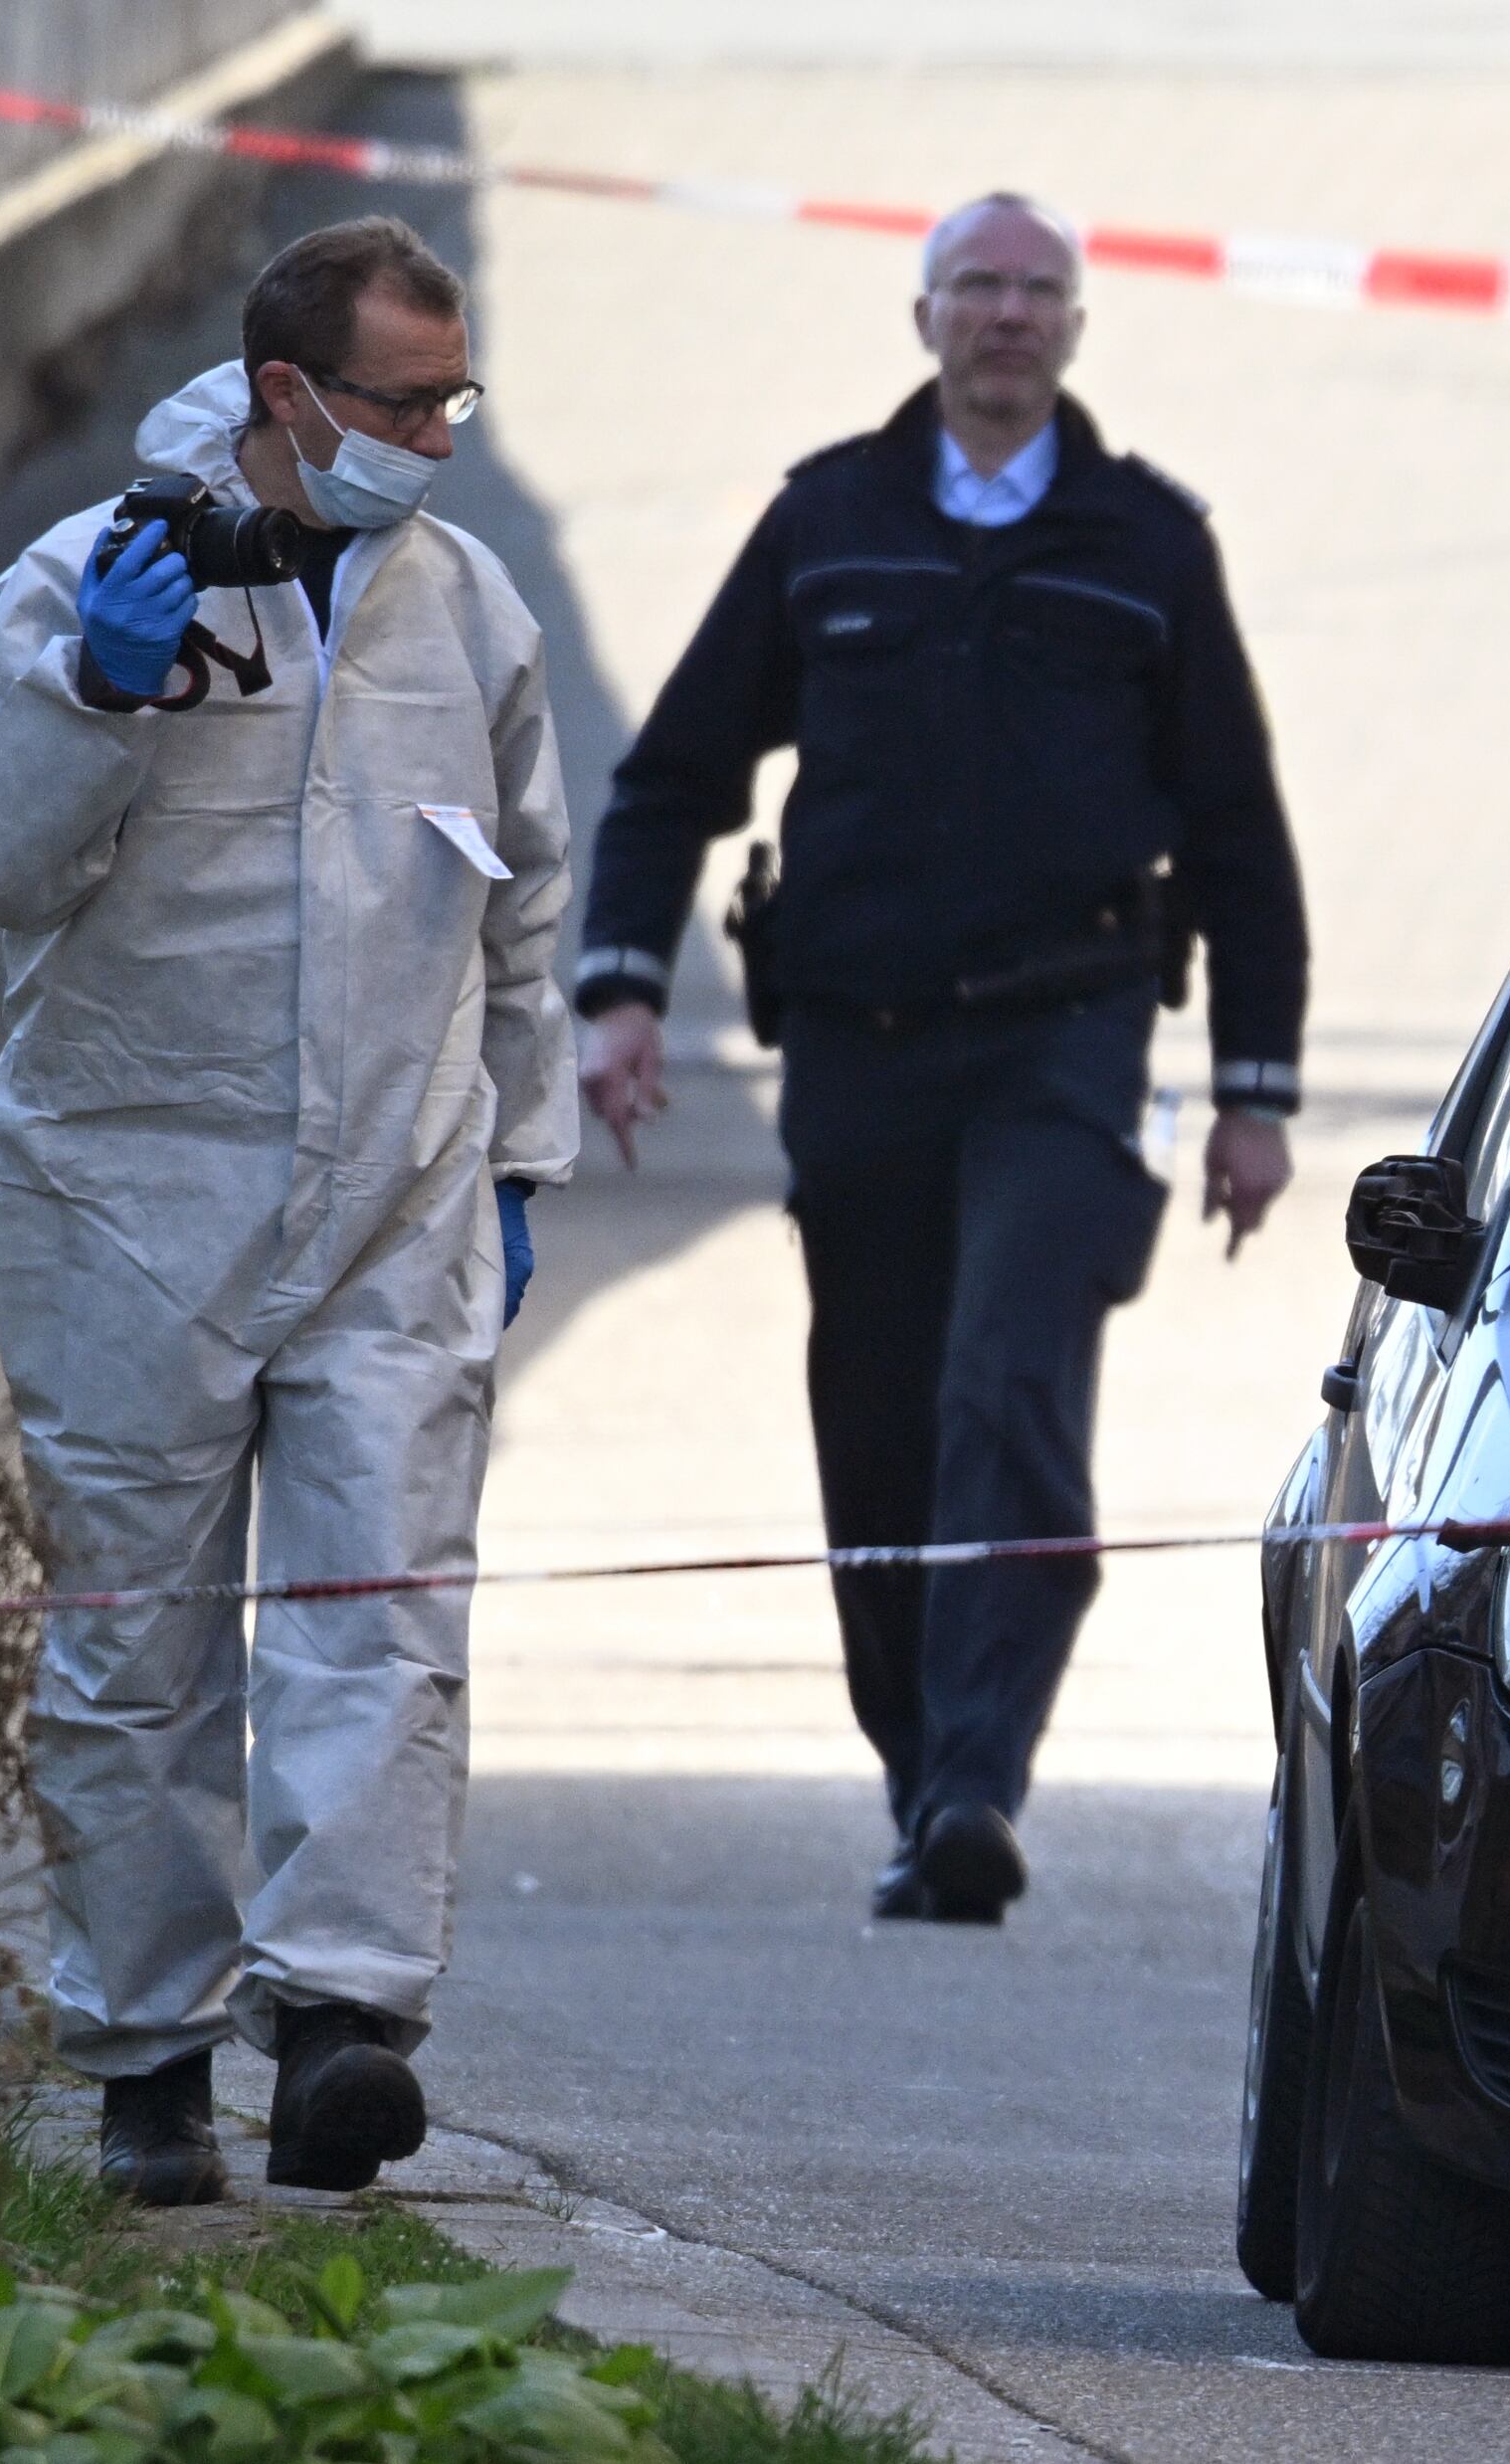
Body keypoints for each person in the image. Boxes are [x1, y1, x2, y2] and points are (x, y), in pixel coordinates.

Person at [572, 194, 1308, 1928]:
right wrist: (620, 991)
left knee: (1010, 1384)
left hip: (1068, 1039)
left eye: (1039, 290)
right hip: (859, 1045)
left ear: (1076, 325)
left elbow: (1236, 830)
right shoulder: (828, 520)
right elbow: (672, 777)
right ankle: (921, 1773)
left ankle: (982, 1773)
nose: (1008, 314)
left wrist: (1255, 1092)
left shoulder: (1147, 543)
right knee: (882, 1410)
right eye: (977, 285)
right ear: (924, 317)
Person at [0, 216, 570, 2206]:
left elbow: (524, 901)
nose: (439, 441)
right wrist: (94, 698)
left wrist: (517, 1156)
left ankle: (344, 2020)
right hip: (130, 1192)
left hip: (393, 1194)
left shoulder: (465, 612)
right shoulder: (84, 584)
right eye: (407, 403)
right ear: (292, 393)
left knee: (379, 1607)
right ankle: (144, 2053)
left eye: (457, 401)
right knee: (135, 1642)